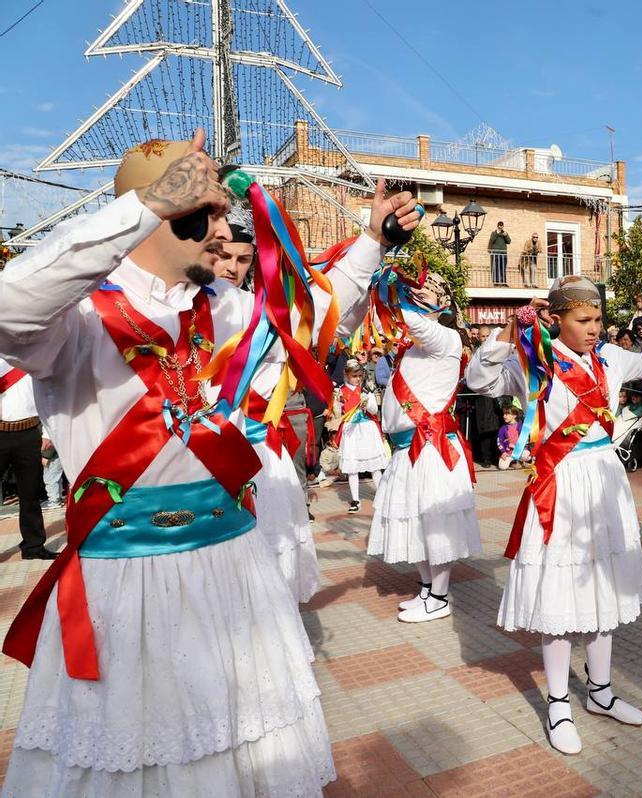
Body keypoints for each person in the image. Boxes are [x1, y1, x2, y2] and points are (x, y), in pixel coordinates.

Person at [0, 130, 419, 795]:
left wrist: (373, 242)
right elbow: (7, 306)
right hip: (126, 585)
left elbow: (312, 320)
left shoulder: (224, 310)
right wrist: (147, 205)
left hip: (234, 569)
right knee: (144, 763)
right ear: (158, 207)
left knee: (245, 755)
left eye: (225, 212)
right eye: (208, 210)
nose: (225, 230)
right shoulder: (75, 320)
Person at [466, 276, 642, 756]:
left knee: (604, 583)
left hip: (604, 479)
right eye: (582, 320)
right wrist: (508, 329)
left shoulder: (608, 357)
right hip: (560, 483)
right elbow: (478, 381)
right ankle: (560, 703)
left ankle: (601, 693)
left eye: (597, 320)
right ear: (556, 319)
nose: (593, 329)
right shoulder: (534, 363)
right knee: (560, 593)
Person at [216, 215, 321, 603]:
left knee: (273, 559)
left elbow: (323, 311)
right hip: (204, 461)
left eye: (244, 259)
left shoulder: (267, 316)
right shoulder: (182, 310)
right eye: (223, 255)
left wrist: (373, 241)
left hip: (263, 456)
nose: (232, 267)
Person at [367, 271, 481, 624]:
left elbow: (413, 320)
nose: (418, 293)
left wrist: (398, 288)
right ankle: (428, 589)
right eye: (415, 289)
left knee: (435, 523)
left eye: (427, 290)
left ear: (443, 304)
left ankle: (441, 596)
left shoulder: (444, 339)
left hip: (431, 449)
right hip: (408, 449)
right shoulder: (413, 348)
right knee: (414, 522)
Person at [0, 359, 54, 559]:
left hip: (29, 432)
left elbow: (48, 394)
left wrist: (48, 433)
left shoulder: (32, 357)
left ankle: (33, 547)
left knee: (30, 493)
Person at [336, 360, 389, 514]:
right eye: (354, 376)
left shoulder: (366, 390)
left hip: (366, 429)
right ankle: (355, 499)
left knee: (374, 466)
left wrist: (368, 404)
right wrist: (337, 405)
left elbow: (373, 410)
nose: (358, 379)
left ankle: (381, 495)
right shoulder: (341, 391)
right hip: (351, 430)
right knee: (352, 467)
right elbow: (338, 411)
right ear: (347, 375)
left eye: (360, 375)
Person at [488, 221, 511, 286]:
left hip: (503, 254)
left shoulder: (504, 233)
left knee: (503, 268)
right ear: (497, 226)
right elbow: (492, 240)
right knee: (496, 268)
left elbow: (509, 241)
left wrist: (506, 235)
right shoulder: (494, 233)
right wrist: (497, 233)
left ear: (503, 226)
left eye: (502, 225)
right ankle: (496, 282)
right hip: (496, 253)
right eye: (499, 225)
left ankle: (504, 282)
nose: (500, 227)